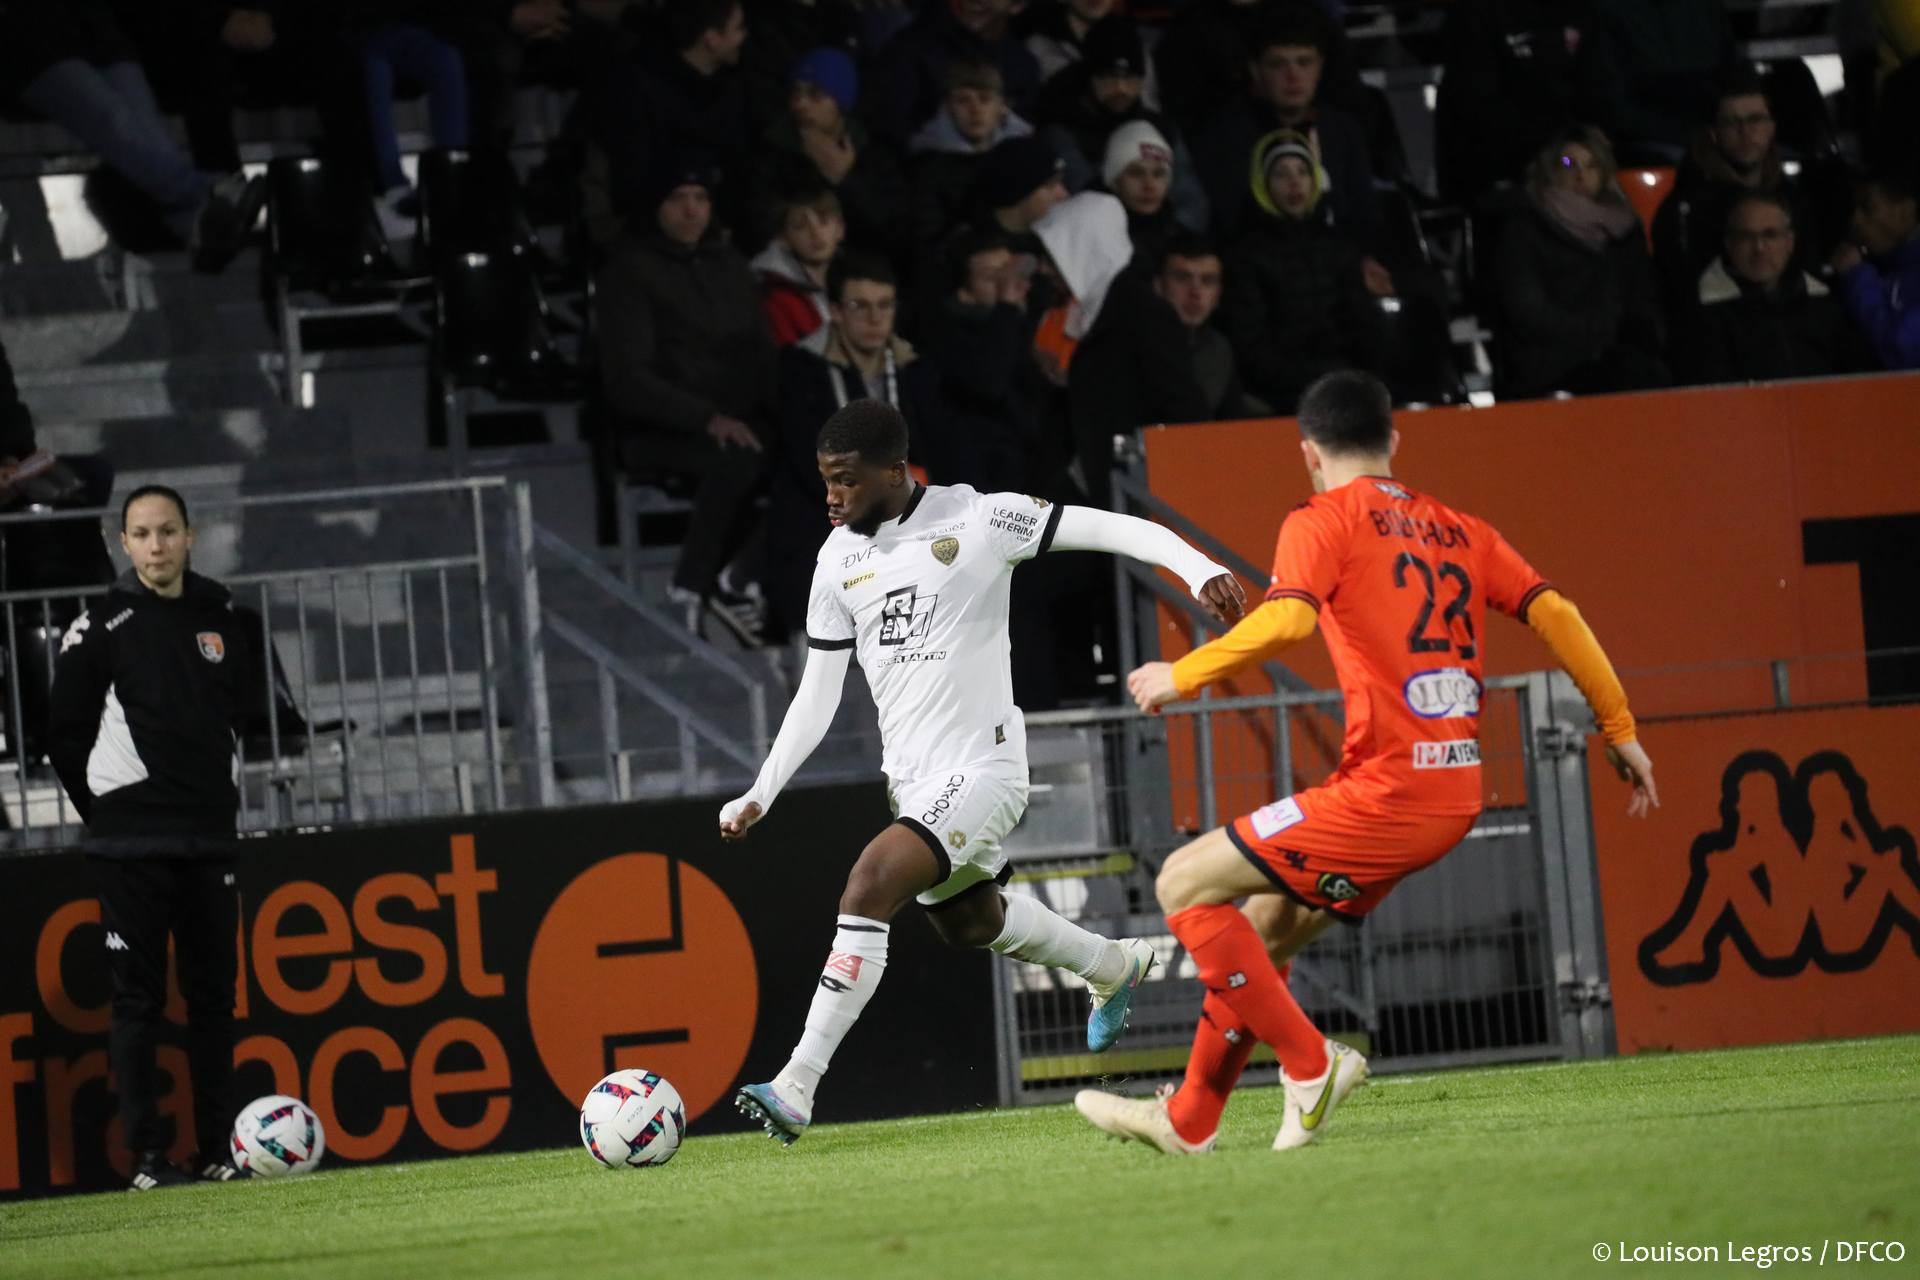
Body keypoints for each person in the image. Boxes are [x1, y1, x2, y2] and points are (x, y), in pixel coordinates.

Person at [1074, 369, 1658, 1155]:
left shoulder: (1322, 518)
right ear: (1393, 442)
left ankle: (1310, 1065)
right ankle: (1189, 1121)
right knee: (1262, 931)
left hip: (1387, 791)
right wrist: (1619, 728)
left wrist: (1183, 675)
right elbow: (1559, 612)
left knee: (1181, 883)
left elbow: (1287, 622)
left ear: (1309, 452)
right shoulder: (1461, 528)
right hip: (1452, 791)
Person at [721, 397, 1250, 1145]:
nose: (831, 497)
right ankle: (1112, 965)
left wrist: (1200, 568)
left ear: (895, 471)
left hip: (985, 770)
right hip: (914, 784)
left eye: (846, 480)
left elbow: (1112, 527)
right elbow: (819, 691)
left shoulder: (979, 520)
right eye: (825, 480)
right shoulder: (836, 559)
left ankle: (796, 1084)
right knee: (970, 922)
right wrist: (762, 789)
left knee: (868, 885)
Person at [47, 485, 253, 1189]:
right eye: (142, 533)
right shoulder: (98, 629)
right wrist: (107, 813)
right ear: (123, 543)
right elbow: (64, 735)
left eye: (167, 531)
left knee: (212, 1002)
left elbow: (241, 717)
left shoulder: (223, 617)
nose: (156, 545)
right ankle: (147, 1159)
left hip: (208, 842)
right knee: (138, 1004)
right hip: (130, 848)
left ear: (190, 536)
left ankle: (218, 1151)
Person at [597, 156, 776, 641]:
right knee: (738, 456)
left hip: (742, 416)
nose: (691, 210)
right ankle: (688, 590)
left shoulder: (730, 265)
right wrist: (705, 417)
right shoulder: (628, 272)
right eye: (678, 198)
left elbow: (763, 354)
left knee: (818, 459)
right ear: (656, 206)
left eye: (700, 198)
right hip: (662, 428)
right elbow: (628, 379)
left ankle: (741, 577)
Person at [764, 253, 946, 639]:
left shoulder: (914, 368)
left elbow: (934, 449)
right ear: (835, 311)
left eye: (884, 305)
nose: (875, 318)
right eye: (859, 306)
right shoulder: (801, 367)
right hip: (826, 517)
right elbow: (806, 458)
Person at [1489, 126, 1670, 398]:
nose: (1580, 175)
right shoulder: (1525, 226)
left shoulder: (1624, 228)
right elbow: (1528, 312)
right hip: (1550, 366)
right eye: (1568, 163)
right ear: (1550, 168)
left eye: (1591, 165)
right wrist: (1598, 334)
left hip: (1618, 358)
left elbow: (1642, 298)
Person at [1651, 69, 1852, 314]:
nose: (1745, 132)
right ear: (1714, 134)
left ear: (1772, 127)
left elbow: (1811, 278)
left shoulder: (1795, 199)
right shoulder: (1685, 208)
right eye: (1731, 122)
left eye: (1755, 119)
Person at [1068, 232, 1245, 508]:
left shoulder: (1219, 350)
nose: (1195, 293)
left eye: (1208, 281)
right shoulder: (1127, 344)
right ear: (1158, 284)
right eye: (1182, 278)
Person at [1218, 130, 1384, 414]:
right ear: (1263, 184)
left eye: (1302, 172)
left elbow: (1364, 327)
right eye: (1281, 174)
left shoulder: (1340, 247)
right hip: (1279, 396)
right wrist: (1314, 379)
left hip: (1343, 386)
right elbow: (1250, 348)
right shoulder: (1244, 255)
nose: (1294, 182)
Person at [1681, 191, 1864, 385]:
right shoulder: (1703, 315)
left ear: (1790, 242)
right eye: (1746, 236)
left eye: (1770, 235)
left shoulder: (1822, 305)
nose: (1759, 248)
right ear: (1729, 244)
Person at [752, 46, 907, 261]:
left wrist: (846, 180)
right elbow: (758, 225)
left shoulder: (874, 151)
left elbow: (893, 230)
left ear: (840, 103)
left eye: (815, 95)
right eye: (796, 93)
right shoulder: (772, 151)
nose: (800, 104)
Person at [1831, 169, 1920, 370]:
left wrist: (1857, 277)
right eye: (1854, 209)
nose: (1856, 221)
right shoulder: (1880, 266)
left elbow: (1901, 351)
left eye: (1868, 208)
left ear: (1906, 211)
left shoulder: (1863, 275)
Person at [752, 185, 846, 346]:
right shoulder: (775, 296)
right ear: (783, 239)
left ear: (840, 229)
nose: (816, 233)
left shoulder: (856, 279)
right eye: (800, 226)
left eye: (823, 221)